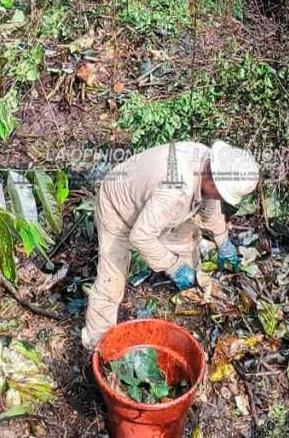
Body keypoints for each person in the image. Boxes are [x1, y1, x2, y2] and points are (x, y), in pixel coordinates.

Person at [81, 140, 260, 350]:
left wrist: (223, 241)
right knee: (112, 282)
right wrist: (175, 267)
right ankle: (97, 344)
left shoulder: (207, 163)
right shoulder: (176, 190)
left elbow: (209, 207)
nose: (220, 199)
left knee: (188, 236)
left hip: (152, 203)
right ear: (214, 184)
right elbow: (141, 236)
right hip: (119, 207)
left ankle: (190, 290)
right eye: (221, 194)